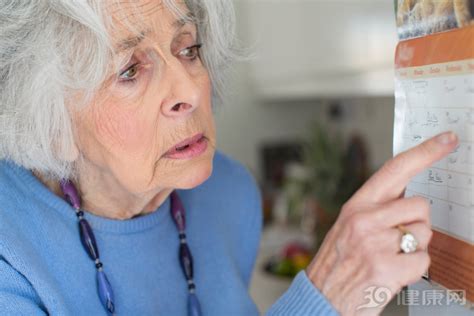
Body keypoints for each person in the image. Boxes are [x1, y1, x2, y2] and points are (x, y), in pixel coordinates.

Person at [0, 0, 458, 315]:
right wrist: (323, 299)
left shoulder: (229, 194)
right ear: (53, 124)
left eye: (188, 49)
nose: (188, 91)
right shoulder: (10, 261)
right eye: (129, 71)